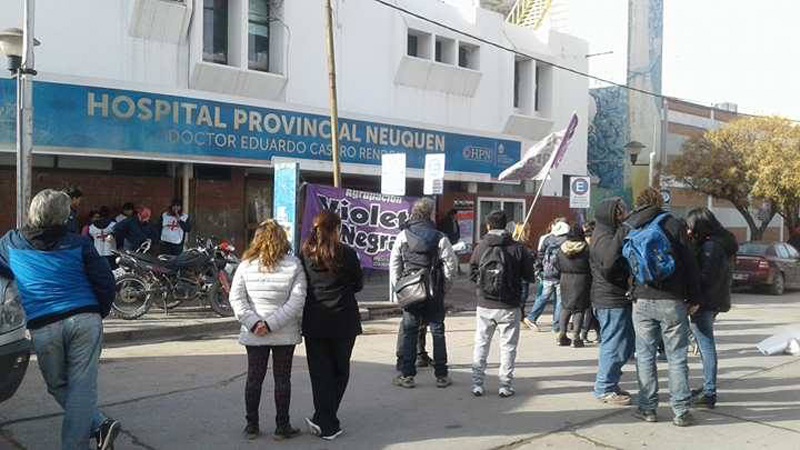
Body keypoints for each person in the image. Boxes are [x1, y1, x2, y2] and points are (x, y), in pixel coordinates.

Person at [0, 189, 120, 450]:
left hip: (44, 326)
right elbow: (105, 282)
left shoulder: (11, 243)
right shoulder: (78, 243)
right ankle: (99, 424)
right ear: (64, 217)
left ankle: (87, 436)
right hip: (85, 319)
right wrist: (98, 312)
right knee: (80, 387)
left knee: (57, 384)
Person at [626, 187, 702, 427]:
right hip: (672, 299)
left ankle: (647, 408)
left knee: (645, 356)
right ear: (660, 201)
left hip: (641, 298)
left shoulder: (631, 224)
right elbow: (690, 263)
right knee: (677, 357)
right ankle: (681, 411)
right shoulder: (673, 224)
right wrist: (694, 297)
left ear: (638, 202)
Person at [229, 219, 307, 441]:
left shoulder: (245, 265)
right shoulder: (294, 265)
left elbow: (236, 299)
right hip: (285, 333)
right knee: (283, 379)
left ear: (257, 239)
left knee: (254, 378)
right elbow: (297, 300)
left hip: (254, 333)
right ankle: (282, 427)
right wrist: (272, 324)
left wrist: (255, 323)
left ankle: (251, 426)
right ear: (282, 239)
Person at [300, 211, 363, 441]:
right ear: (335, 229)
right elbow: (358, 284)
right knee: (340, 371)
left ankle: (325, 419)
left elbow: (301, 286)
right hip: (344, 320)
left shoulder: (305, 255)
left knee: (320, 373)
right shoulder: (347, 254)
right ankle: (327, 420)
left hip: (315, 321)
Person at [390, 198, 457, 389]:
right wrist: (444, 287)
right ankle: (442, 376)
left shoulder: (403, 235)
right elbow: (451, 266)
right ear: (430, 214)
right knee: (437, 331)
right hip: (433, 289)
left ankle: (407, 376)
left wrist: (399, 288)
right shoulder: (440, 237)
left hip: (411, 290)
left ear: (414, 213)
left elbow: (394, 263)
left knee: (410, 332)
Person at [469, 210, 535, 398]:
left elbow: (472, 273)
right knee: (508, 347)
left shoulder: (480, 246)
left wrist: (484, 286)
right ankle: (505, 385)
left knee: (481, 343)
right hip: (509, 305)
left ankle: (477, 384)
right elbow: (528, 276)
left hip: (484, 304)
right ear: (507, 226)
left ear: (488, 226)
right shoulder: (518, 248)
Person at [685, 207, 738, 409]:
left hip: (705, 303)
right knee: (705, 345)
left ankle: (709, 392)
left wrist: (694, 301)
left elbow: (704, 278)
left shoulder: (710, 247)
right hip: (713, 301)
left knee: (706, 346)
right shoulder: (721, 243)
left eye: (691, 226)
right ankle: (707, 388)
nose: (689, 231)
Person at [590, 198, 635, 406]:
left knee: (624, 345)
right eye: (620, 211)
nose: (624, 214)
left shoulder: (609, 233)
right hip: (609, 299)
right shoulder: (604, 236)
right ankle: (604, 388)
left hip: (616, 298)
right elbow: (609, 265)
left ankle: (611, 383)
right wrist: (621, 234)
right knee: (613, 344)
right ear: (611, 214)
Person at [523, 218, 569, 331]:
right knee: (560, 300)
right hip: (560, 273)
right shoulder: (566, 240)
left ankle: (531, 317)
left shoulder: (547, 239)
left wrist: (539, 269)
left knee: (543, 297)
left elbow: (540, 255)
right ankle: (557, 325)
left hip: (547, 273)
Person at [555, 224, 592, 348]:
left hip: (565, 279)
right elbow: (592, 265)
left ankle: (562, 334)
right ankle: (576, 337)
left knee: (566, 307)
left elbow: (557, 264)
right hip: (582, 280)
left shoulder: (561, 249)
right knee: (579, 309)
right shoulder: (586, 249)